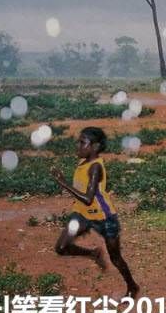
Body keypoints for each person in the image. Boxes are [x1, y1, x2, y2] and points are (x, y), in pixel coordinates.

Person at [51, 126, 140, 298]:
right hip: (82, 214)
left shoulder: (95, 167)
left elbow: (88, 198)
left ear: (95, 147)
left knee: (116, 259)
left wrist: (63, 183)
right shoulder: (83, 162)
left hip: (104, 217)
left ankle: (132, 286)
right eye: (79, 142)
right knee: (61, 247)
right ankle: (93, 253)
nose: (78, 146)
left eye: (82, 143)